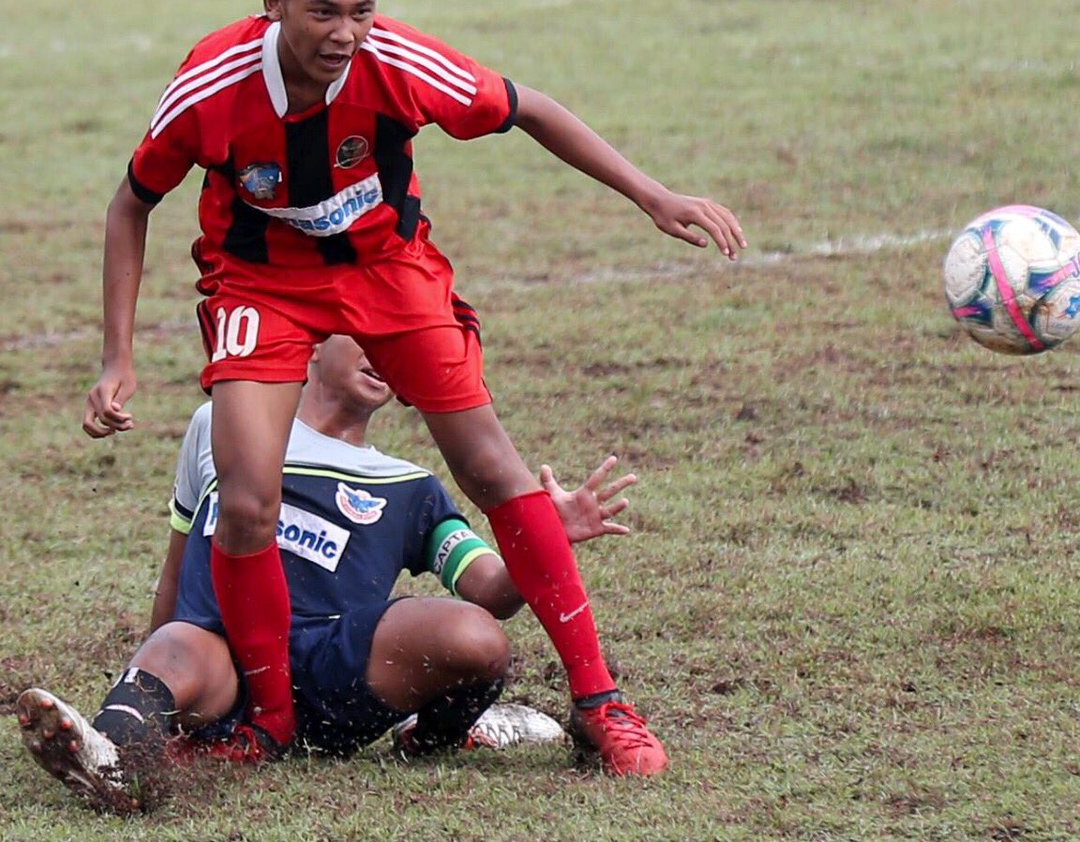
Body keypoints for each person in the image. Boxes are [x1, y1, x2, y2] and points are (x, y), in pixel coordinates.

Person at [82, 0, 745, 774]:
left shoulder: (398, 61)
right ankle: (270, 721)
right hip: (261, 280)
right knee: (245, 499)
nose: (345, 33)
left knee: (492, 469)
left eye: (361, 10)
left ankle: (600, 703)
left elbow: (532, 108)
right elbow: (132, 202)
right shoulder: (211, 81)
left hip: (390, 268)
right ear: (274, 1)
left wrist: (651, 194)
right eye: (324, 11)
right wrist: (117, 357)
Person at [21, 335, 636, 812]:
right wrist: (150, 672)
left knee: (477, 637)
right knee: (178, 640)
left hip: (334, 677)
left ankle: (431, 735)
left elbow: (493, 593)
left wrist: (548, 538)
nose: (383, 356)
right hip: (221, 666)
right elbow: (176, 569)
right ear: (313, 340)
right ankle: (110, 759)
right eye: (366, 335)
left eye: (394, 346)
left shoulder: (407, 484)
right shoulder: (221, 424)